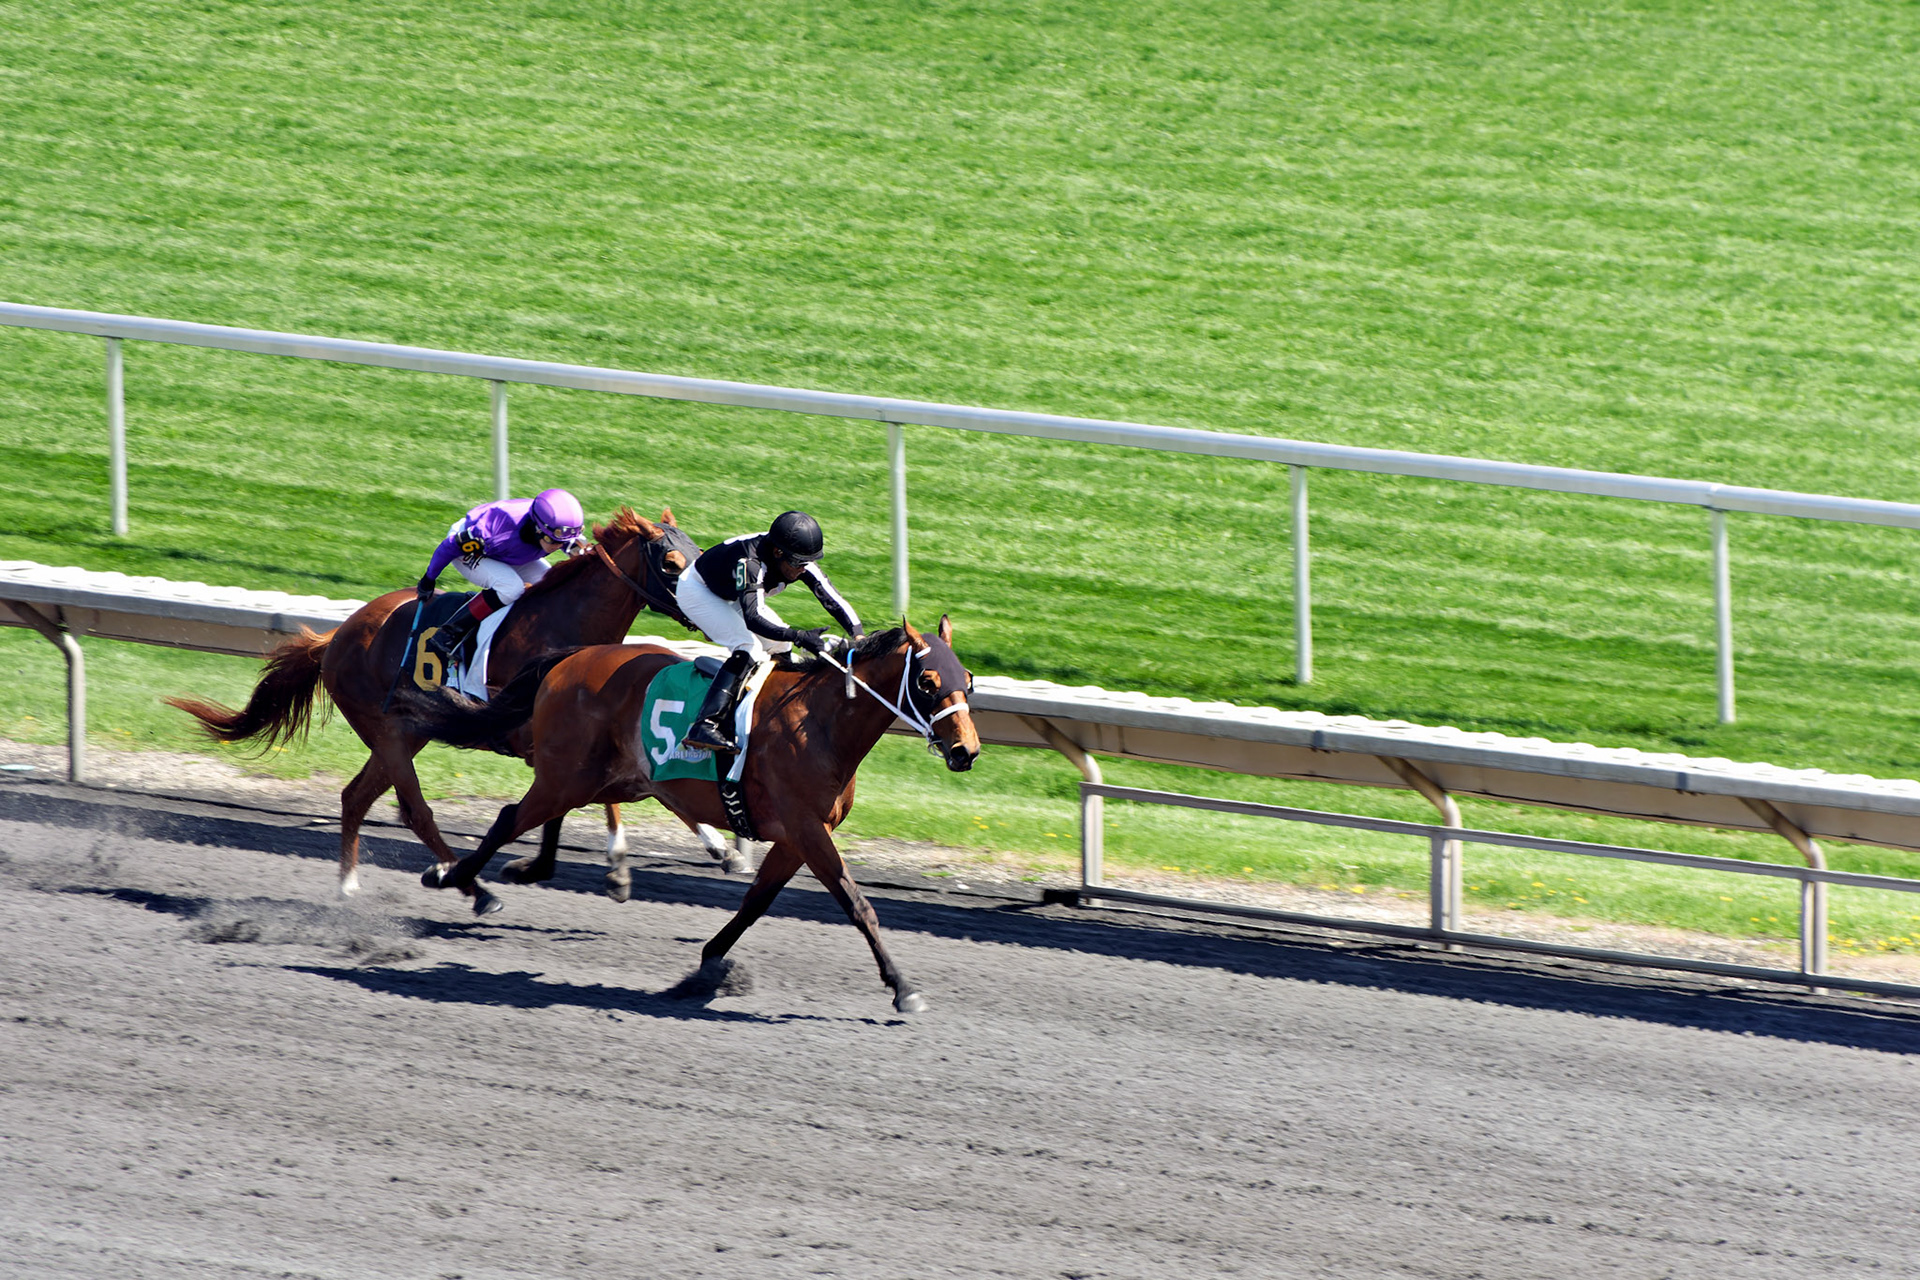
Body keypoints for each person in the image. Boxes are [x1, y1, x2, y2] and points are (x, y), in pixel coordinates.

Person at [677, 510, 864, 753]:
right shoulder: (751, 562)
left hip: (735, 594)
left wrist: (858, 634)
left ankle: (774, 708)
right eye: (798, 563)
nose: (803, 569)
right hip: (698, 591)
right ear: (778, 553)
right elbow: (753, 618)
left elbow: (831, 597)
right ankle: (705, 724)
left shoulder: (795, 557)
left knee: (780, 646)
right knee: (748, 646)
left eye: (808, 562)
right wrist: (799, 636)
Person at [416, 488, 588, 665]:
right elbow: (449, 547)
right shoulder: (491, 533)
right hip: (469, 551)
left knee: (550, 585)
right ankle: (450, 632)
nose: (559, 546)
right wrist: (429, 578)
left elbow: (578, 548)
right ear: (538, 529)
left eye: (563, 542)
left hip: (510, 552)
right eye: (555, 541)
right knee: (510, 587)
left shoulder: (556, 527)